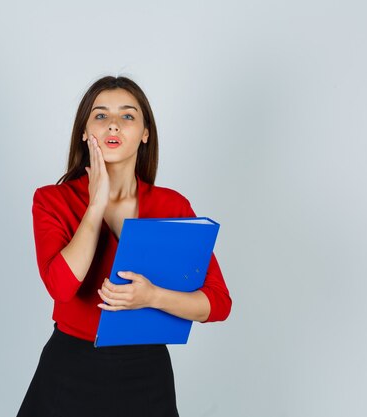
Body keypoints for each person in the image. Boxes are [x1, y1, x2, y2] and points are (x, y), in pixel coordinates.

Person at [17, 75, 232, 417]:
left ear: (145, 133)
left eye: (128, 116)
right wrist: (96, 204)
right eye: (101, 115)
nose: (113, 124)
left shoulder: (172, 206)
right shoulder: (52, 200)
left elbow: (218, 304)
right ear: (85, 132)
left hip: (145, 375)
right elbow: (61, 286)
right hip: (69, 370)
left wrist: (152, 297)